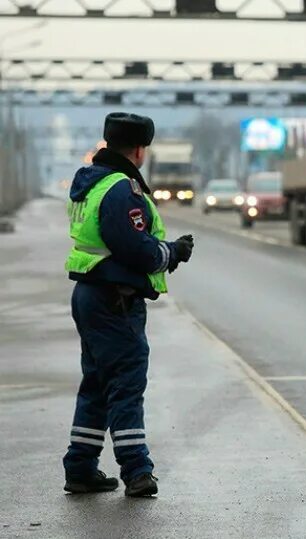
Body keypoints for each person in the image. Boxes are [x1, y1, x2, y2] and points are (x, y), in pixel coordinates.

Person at [62, 112, 194, 497]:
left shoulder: (90, 182)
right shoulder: (121, 189)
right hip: (114, 298)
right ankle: (137, 470)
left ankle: (81, 466)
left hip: (91, 293)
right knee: (125, 383)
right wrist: (173, 252)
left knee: (97, 384)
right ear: (140, 150)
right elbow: (135, 247)